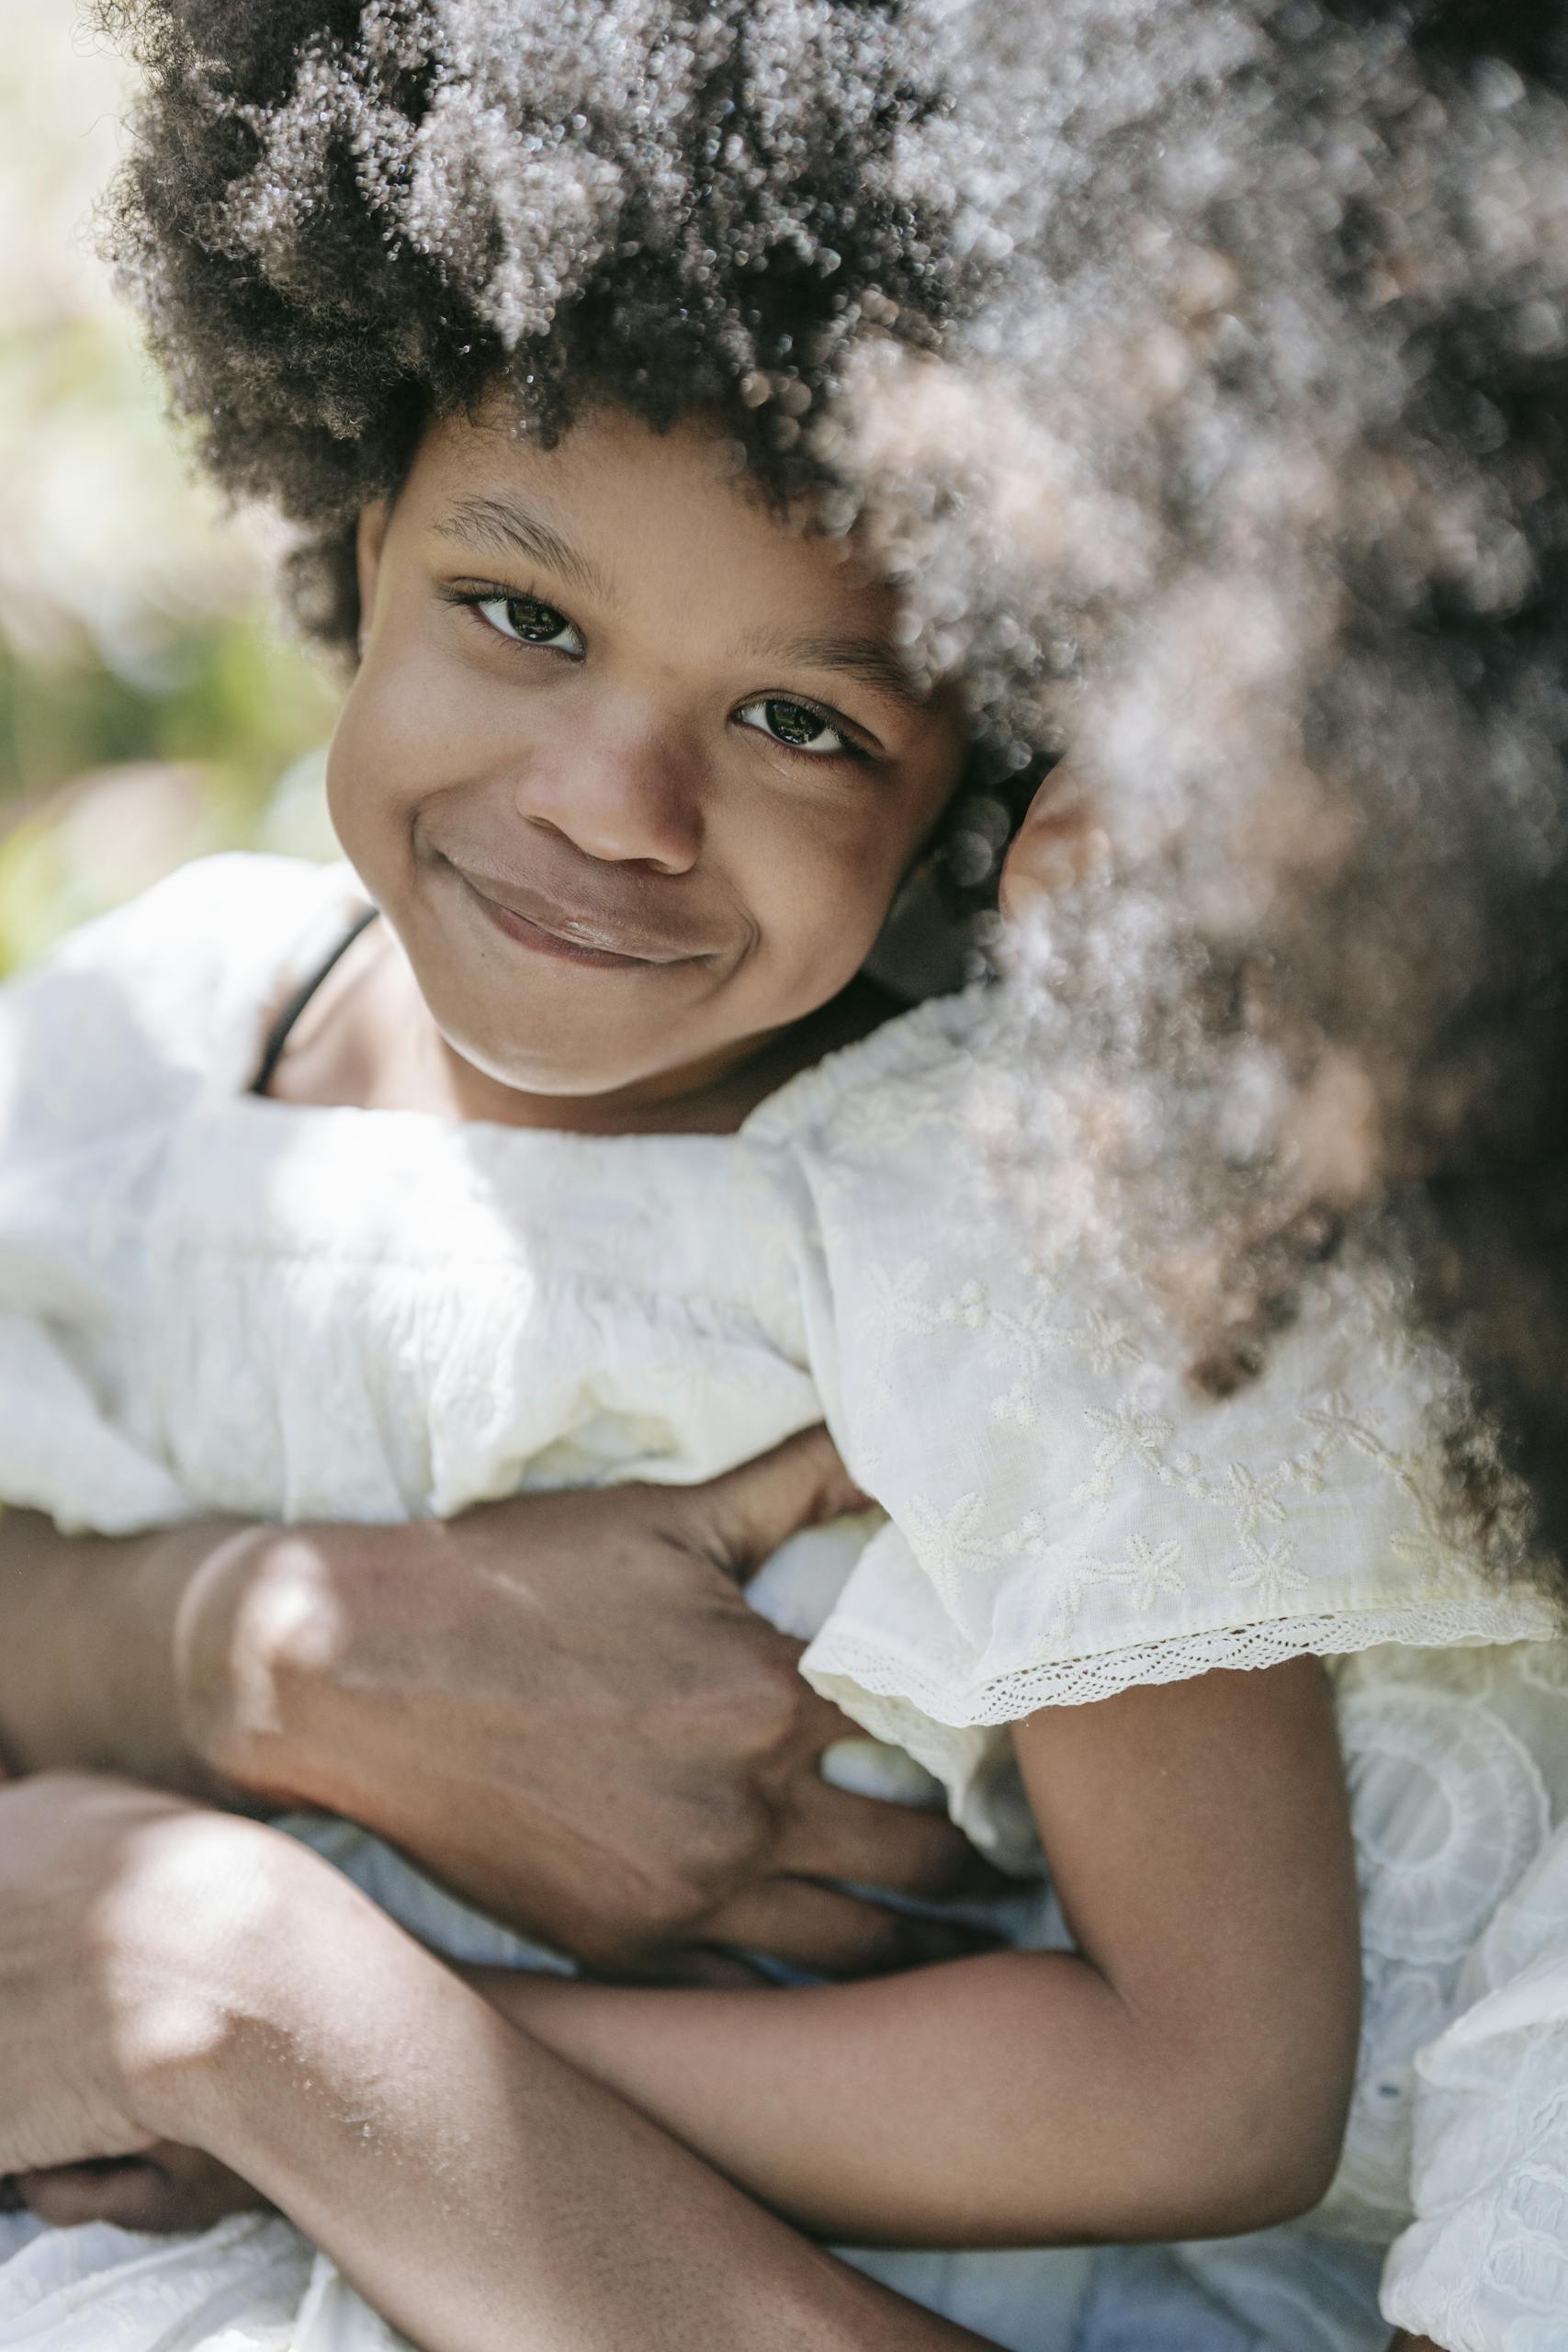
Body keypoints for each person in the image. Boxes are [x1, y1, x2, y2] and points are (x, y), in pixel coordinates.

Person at [0, 7, 1561, 2352]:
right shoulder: (154, 1029)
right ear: (360, 522)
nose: (612, 800)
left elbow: (1207, 2080)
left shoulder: (1021, 1211)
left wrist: (340, 2031)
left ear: (967, 790)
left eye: (801, 720)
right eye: (523, 615)